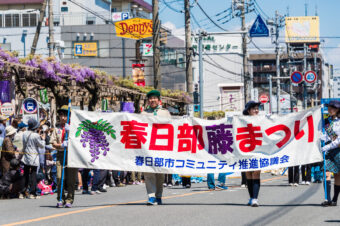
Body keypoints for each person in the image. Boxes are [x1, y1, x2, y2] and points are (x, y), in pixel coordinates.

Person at [142, 90, 171, 205]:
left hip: (162, 147)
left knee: (160, 173)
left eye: (154, 98)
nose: (152, 100)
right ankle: (151, 196)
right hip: (147, 148)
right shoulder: (143, 114)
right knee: (148, 172)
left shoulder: (165, 113)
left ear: (159, 100)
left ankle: (158, 196)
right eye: (150, 98)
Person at [51, 105, 78, 208]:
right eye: (61, 115)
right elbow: (53, 143)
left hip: (72, 155)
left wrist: (71, 131)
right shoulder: (57, 128)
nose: (63, 117)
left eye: (65, 115)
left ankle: (69, 199)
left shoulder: (75, 128)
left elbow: (79, 141)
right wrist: (61, 145)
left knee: (71, 179)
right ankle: (60, 199)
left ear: (69, 117)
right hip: (61, 154)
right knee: (59, 177)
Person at [321, 100, 340, 206]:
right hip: (327, 151)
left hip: (337, 150)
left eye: (334, 108)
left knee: (337, 175)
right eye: (329, 107)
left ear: (338, 110)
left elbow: (338, 141)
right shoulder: (325, 121)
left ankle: (334, 199)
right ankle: (327, 198)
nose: (331, 109)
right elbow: (321, 134)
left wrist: (327, 146)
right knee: (326, 173)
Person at [243, 101, 261, 207]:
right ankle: (251, 197)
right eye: (254, 108)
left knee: (256, 173)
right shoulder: (242, 121)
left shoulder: (262, 120)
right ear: (248, 110)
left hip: (259, 150)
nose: (256, 110)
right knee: (248, 174)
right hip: (245, 151)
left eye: (257, 108)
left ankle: (255, 198)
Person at [21, 118, 45, 199]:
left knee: (25, 174)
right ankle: (32, 193)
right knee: (33, 174)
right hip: (34, 157)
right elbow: (41, 145)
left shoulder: (24, 134)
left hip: (26, 156)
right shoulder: (36, 135)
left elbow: (24, 145)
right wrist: (43, 139)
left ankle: (23, 192)